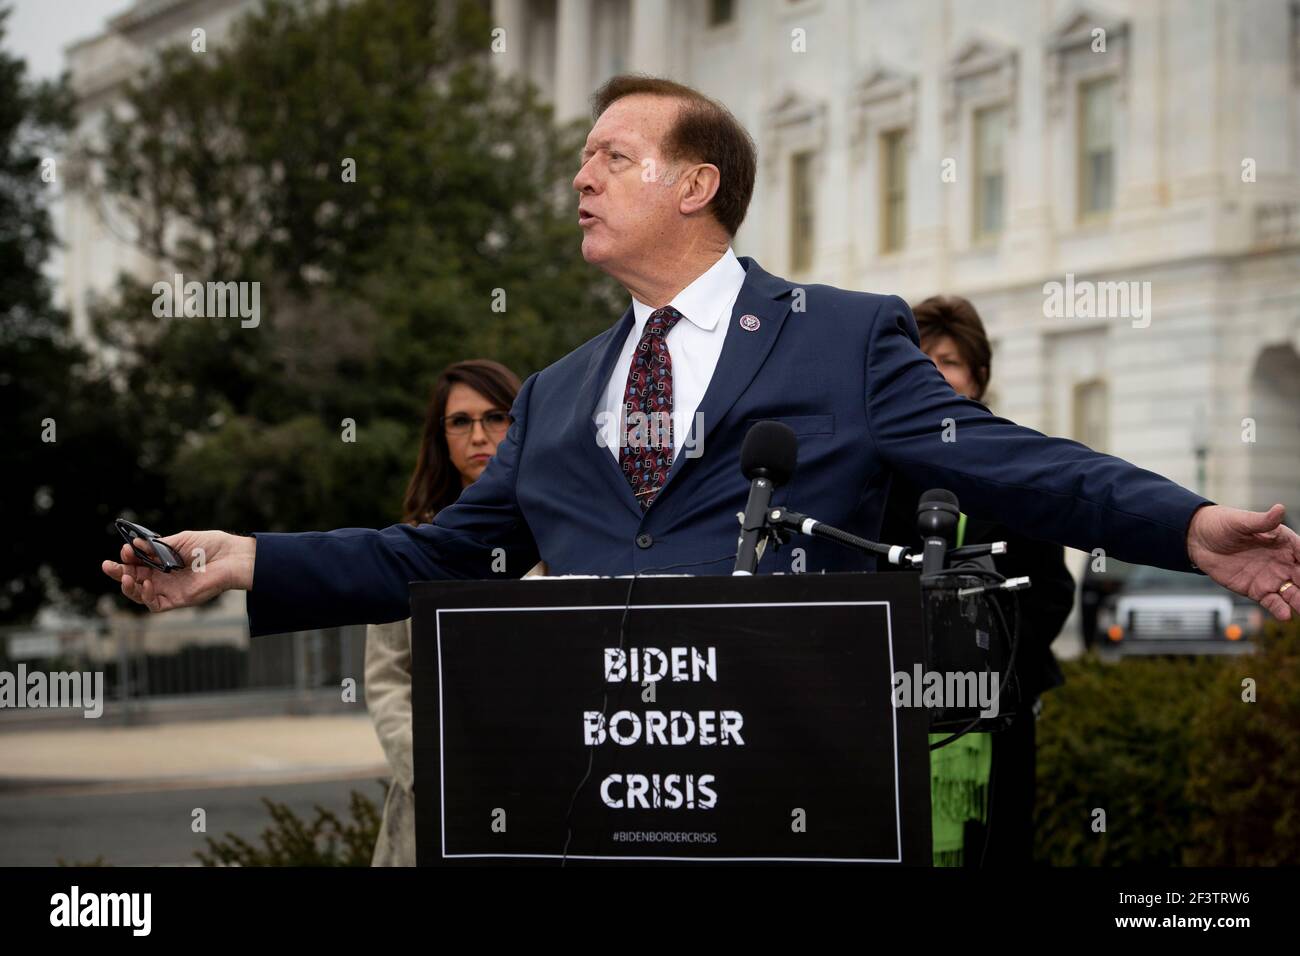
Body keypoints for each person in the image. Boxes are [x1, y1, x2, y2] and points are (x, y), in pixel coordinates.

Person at [103, 74, 1300, 663]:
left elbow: (1010, 462)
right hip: (594, 781)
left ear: (695, 185)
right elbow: (441, 553)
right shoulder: (562, 389)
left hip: (792, 780)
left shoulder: (843, 336)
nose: (578, 178)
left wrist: (1187, 523)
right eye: (580, 159)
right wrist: (243, 558)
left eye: (610, 156)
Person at [877, 296, 1074, 866]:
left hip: (999, 709)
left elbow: (1052, 591)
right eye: (923, 361)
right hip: (900, 708)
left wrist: (988, 661)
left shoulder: (1014, 466)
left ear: (979, 376)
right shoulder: (879, 472)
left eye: (950, 360)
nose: (936, 373)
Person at [365, 360, 521, 867]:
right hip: (434, 804)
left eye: (496, 417)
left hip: (540, 795)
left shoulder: (560, 535)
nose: (479, 435)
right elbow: (387, 677)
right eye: (460, 421)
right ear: (441, 435)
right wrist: (429, 770)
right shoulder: (410, 547)